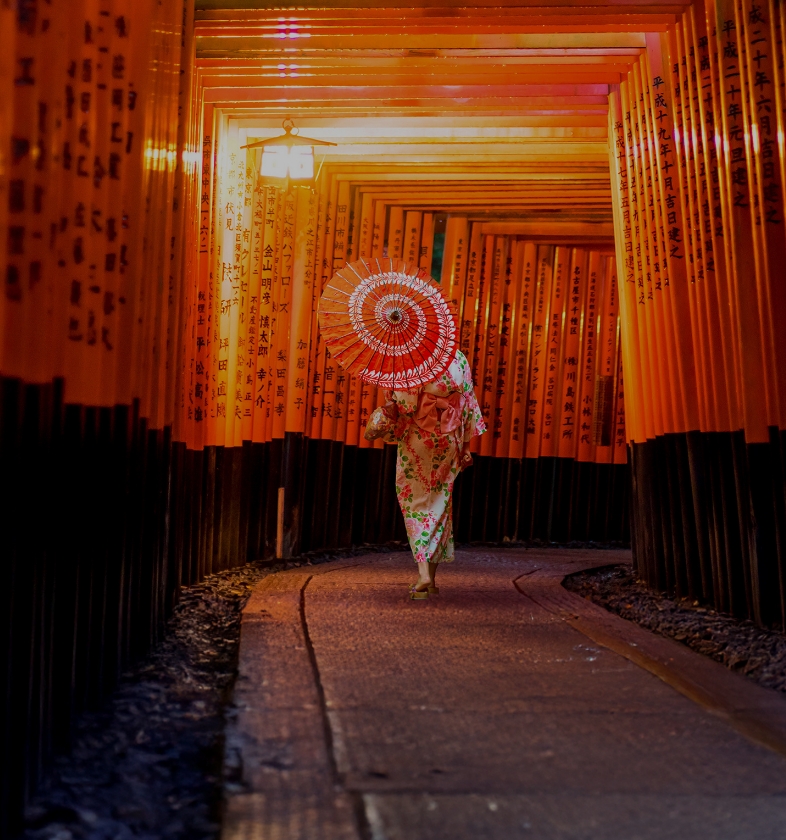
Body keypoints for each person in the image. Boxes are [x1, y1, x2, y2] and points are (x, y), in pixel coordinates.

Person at [386, 349, 486, 600]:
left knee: (416, 502)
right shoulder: (459, 358)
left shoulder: (414, 356)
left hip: (419, 437)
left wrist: (390, 393)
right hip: (448, 438)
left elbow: (405, 403)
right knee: (441, 502)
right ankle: (431, 577)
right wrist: (465, 447)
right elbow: (468, 405)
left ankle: (423, 574)